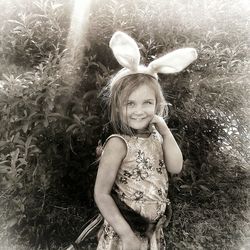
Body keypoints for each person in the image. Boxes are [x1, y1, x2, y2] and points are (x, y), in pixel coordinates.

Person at [94, 31, 197, 250]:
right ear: (116, 106)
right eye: (130, 103)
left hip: (153, 230)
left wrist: (166, 133)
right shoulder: (118, 144)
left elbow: (175, 167)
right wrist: (127, 235)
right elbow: (101, 194)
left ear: (157, 104)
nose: (139, 111)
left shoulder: (157, 136)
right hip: (126, 232)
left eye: (147, 103)